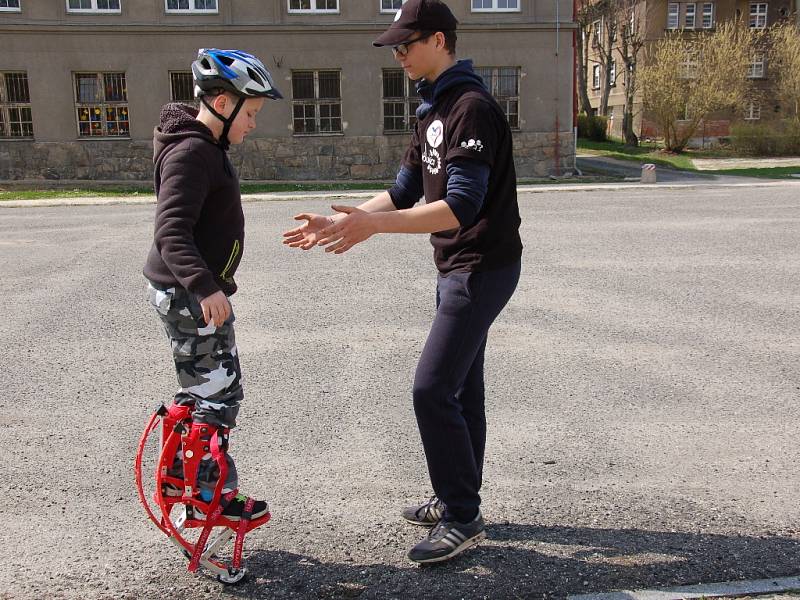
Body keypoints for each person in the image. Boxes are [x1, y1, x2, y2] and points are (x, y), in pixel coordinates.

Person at [282, 0, 522, 564]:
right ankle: (457, 499)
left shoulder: (471, 108)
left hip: (482, 266)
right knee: (462, 389)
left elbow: (460, 206)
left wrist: (373, 227)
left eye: (406, 45)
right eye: (394, 46)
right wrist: (344, 221)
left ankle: (463, 516)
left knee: (431, 388)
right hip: (458, 265)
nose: (399, 54)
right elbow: (404, 189)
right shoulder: (432, 109)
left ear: (439, 40)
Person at [144, 48, 282, 519]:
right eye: (253, 112)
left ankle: (194, 489)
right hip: (189, 295)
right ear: (224, 104)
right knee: (218, 395)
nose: (254, 123)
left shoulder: (205, 147)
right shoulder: (191, 152)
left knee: (206, 391)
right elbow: (171, 233)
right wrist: (205, 286)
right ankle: (207, 500)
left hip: (190, 292)